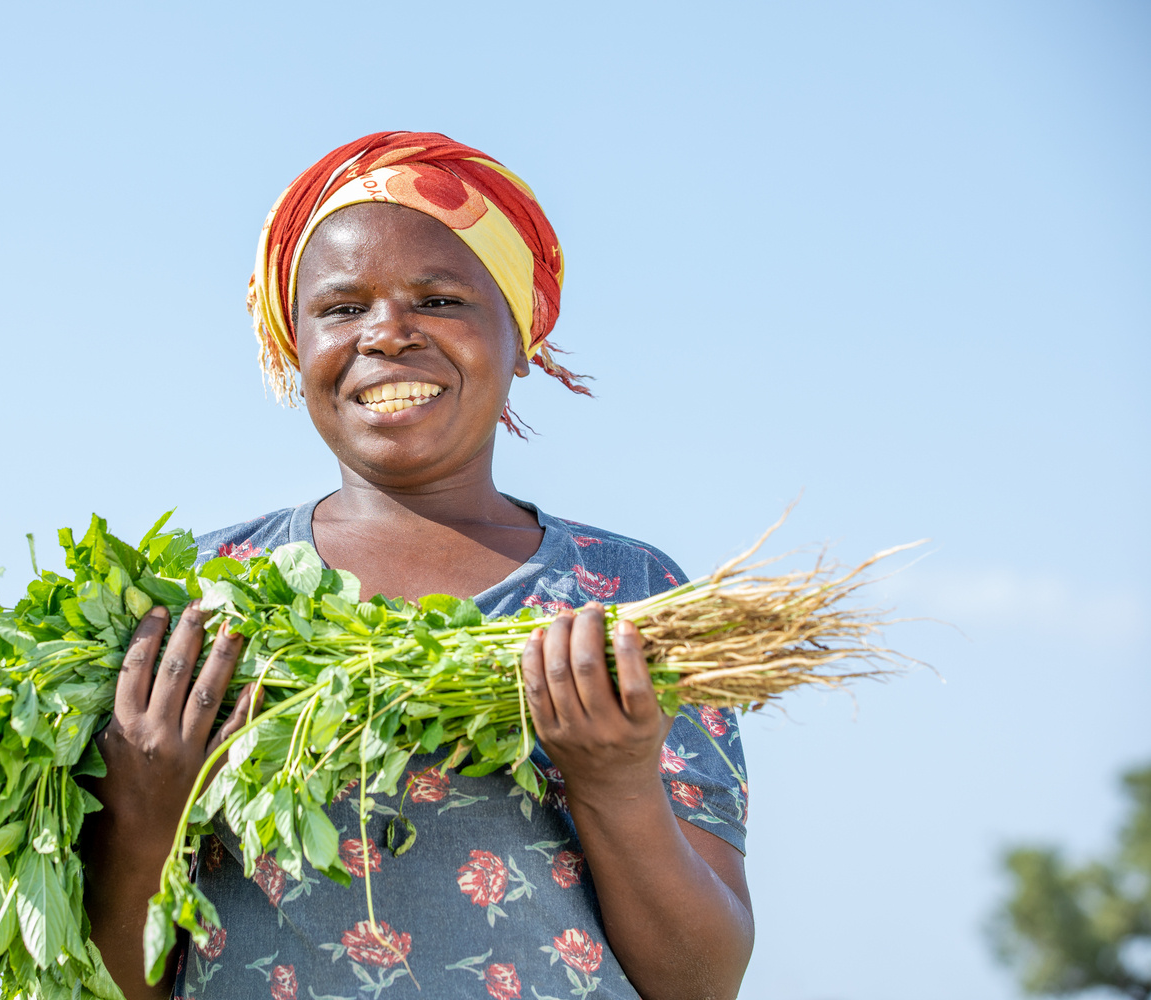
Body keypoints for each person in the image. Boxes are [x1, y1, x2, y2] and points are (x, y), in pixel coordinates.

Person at [81, 132, 754, 1000]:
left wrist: (615, 781)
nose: (388, 334)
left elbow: (701, 983)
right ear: (295, 344)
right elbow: (104, 979)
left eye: (439, 300)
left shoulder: (626, 598)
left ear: (521, 335)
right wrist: (142, 817)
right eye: (341, 308)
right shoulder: (196, 598)